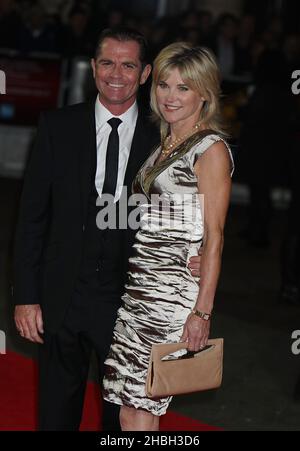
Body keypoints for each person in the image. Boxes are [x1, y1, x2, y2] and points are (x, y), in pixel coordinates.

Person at [13, 28, 201, 431]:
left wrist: (196, 261)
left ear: (146, 72)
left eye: (128, 64)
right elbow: (31, 219)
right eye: (107, 62)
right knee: (55, 414)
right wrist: (26, 296)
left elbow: (188, 215)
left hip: (131, 303)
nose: (117, 73)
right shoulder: (56, 127)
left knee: (123, 420)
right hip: (62, 296)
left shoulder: (165, 138)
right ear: (94, 67)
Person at [102, 42, 234, 431]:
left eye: (183, 88)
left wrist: (202, 312)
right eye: (164, 84)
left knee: (143, 403)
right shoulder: (166, 144)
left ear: (204, 93)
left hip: (171, 295)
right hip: (142, 286)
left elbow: (216, 235)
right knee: (129, 404)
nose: (170, 96)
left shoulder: (210, 150)